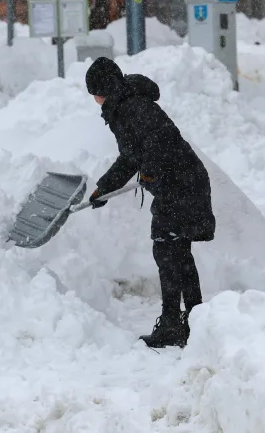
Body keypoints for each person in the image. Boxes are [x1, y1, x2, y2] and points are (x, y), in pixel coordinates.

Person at [85, 56, 215, 349]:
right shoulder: (126, 104)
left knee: (168, 251)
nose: (93, 98)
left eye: (93, 91)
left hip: (180, 184)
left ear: (101, 89)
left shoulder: (131, 108)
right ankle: (195, 321)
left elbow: (160, 140)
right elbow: (131, 156)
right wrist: (103, 189)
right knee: (177, 251)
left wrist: (152, 169)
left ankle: (175, 324)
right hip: (181, 181)